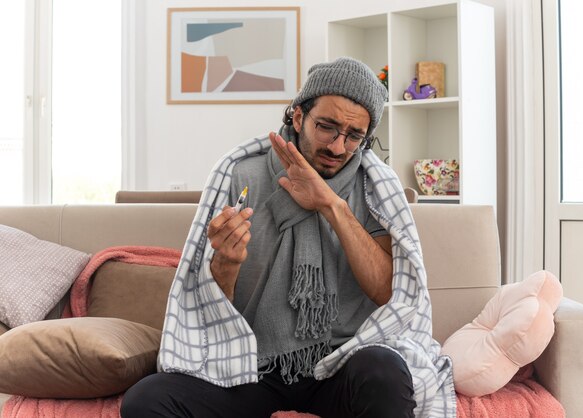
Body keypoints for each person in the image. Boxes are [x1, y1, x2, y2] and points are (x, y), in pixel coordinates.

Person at [122, 57, 455, 418]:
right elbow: (210, 307)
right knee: (147, 400)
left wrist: (330, 204)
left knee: (385, 372)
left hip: (341, 363)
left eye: (354, 136)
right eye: (326, 127)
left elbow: (390, 292)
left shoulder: (374, 187)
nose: (338, 147)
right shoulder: (241, 175)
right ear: (298, 117)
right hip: (254, 370)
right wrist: (226, 261)